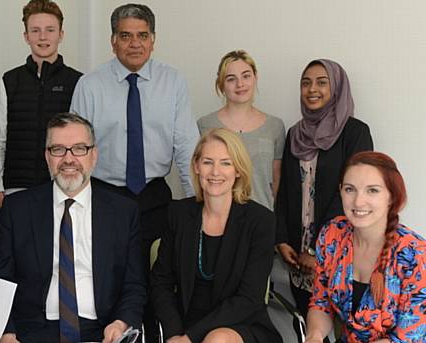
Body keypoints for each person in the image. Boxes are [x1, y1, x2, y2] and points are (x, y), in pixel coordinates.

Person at [70, 4, 199, 339]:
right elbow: (76, 150)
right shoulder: (90, 85)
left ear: (153, 40)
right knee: (110, 280)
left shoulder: (173, 82)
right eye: (125, 36)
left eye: (142, 36)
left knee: (157, 279)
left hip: (155, 195)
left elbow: (187, 147)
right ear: (113, 41)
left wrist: (195, 206)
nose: (134, 44)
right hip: (106, 195)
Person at [0, 113, 145, 343]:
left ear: (94, 155)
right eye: (58, 149)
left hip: (103, 331)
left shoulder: (122, 211)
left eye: (79, 148)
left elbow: (134, 284)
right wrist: (6, 332)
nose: (69, 159)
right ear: (47, 156)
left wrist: (120, 323)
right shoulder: (17, 209)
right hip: (32, 331)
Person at [151, 128, 282, 343]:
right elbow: (161, 282)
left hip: (240, 324)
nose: (215, 172)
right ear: (196, 166)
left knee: (217, 340)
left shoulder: (260, 221)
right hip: (184, 325)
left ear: (238, 170)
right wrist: (175, 334)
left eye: (226, 163)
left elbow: (249, 298)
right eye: (207, 162)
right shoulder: (178, 214)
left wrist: (190, 338)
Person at [275, 59, 373, 318]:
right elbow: (284, 190)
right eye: (305, 83)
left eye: (321, 82)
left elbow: (354, 195)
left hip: (340, 251)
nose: (311, 89)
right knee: (310, 325)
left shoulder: (355, 132)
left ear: (337, 88)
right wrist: (281, 239)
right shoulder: (295, 134)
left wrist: (317, 250)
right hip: (297, 256)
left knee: (345, 325)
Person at [305, 151, 426, 342]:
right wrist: (315, 336)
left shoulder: (416, 254)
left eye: (373, 190)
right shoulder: (332, 234)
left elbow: (407, 339)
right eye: (350, 189)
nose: (358, 201)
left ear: (392, 196)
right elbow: (321, 303)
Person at [0, 0, 82, 208]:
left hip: (63, 188)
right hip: (16, 190)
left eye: (50, 30)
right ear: (26, 36)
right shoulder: (9, 81)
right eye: (35, 30)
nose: (43, 37)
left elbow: (82, 145)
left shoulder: (78, 82)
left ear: (61, 34)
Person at [197, 50, 285, 210]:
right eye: (231, 79)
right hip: (217, 218)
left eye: (246, 76)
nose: (240, 84)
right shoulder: (205, 125)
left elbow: (276, 181)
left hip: (262, 219)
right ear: (221, 84)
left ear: (255, 78)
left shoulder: (275, 126)